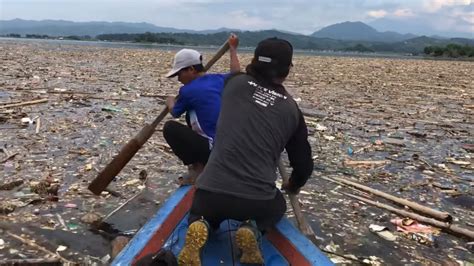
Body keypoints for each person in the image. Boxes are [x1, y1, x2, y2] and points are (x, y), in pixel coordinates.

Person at [177, 38, 313, 265]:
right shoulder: (292, 110)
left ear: (254, 61)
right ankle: (252, 227)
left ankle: (200, 223)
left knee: (200, 211)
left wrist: (232, 50)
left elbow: (234, 74)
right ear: (288, 69)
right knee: (277, 203)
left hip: (210, 194)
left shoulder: (233, 84)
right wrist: (293, 185)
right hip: (255, 200)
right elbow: (303, 165)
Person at [163, 34, 240, 185]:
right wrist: (233, 49)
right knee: (192, 113)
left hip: (213, 150)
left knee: (169, 128)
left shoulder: (188, 90)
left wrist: (170, 102)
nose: (178, 78)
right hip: (229, 147)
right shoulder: (218, 79)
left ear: (191, 69)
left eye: (179, 73)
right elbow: (236, 73)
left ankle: (198, 167)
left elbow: (175, 113)